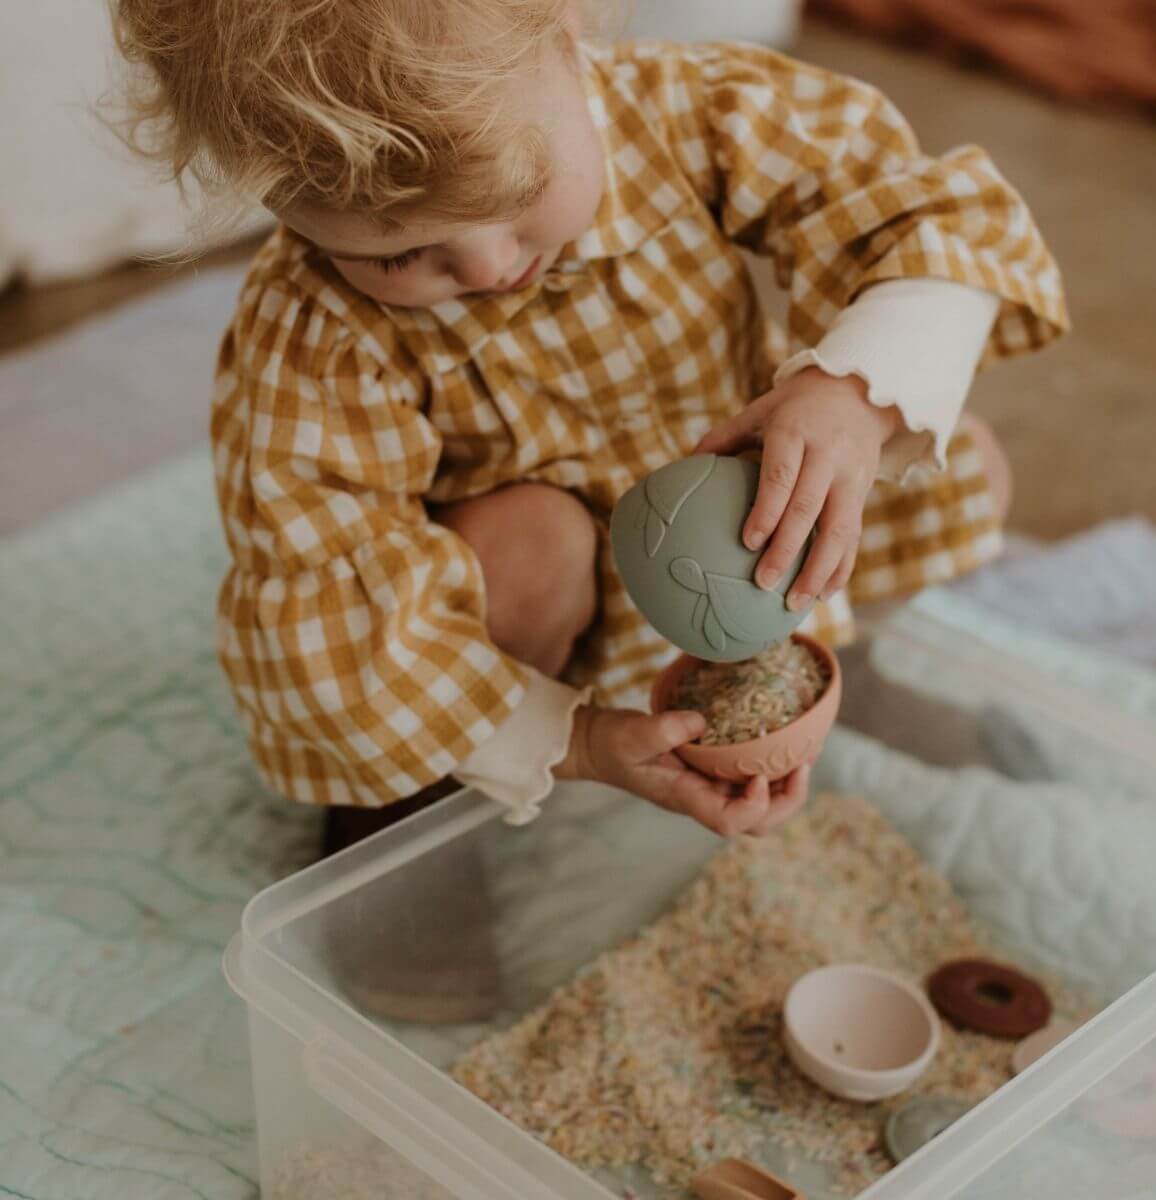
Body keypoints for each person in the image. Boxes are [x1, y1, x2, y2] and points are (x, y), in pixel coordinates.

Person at [111, 0, 1067, 856]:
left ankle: (827, 659)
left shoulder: (689, 111)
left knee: (951, 454)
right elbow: (321, 599)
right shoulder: (312, 332)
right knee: (528, 547)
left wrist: (855, 393)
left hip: (744, 512)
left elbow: (925, 212)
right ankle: (411, 809)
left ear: (566, 30)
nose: (489, 267)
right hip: (534, 616)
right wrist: (575, 742)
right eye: (401, 256)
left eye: (521, 192)